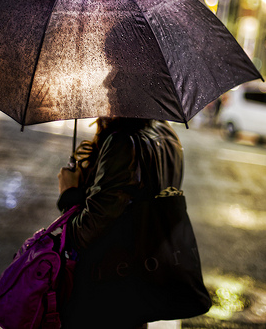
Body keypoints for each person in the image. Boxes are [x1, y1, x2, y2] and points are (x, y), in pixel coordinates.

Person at [57, 117, 184, 329]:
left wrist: (69, 192)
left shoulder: (123, 141)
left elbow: (87, 232)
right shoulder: (167, 133)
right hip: (138, 282)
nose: (106, 90)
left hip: (104, 292)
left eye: (110, 84)